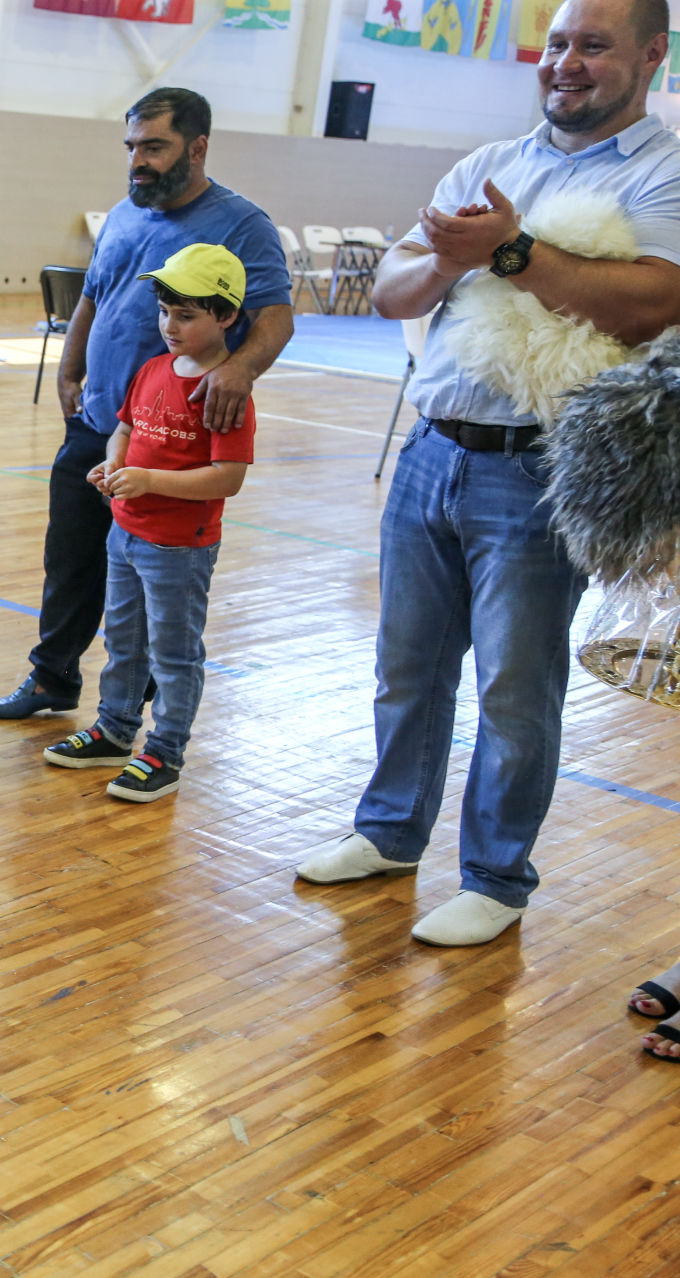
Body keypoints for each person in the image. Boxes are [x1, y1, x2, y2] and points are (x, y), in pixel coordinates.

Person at [295, 0, 680, 946]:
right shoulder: (490, 162)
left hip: (544, 471)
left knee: (516, 686)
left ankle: (497, 878)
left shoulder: (665, 174)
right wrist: (442, 264)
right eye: (555, 44)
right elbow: (391, 285)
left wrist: (507, 253)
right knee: (407, 666)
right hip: (435, 450)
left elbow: (655, 301)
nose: (566, 63)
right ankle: (389, 831)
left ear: (653, 55)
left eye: (593, 45)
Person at [0, 86, 291, 719]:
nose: (137, 161)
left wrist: (238, 371)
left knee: (149, 577)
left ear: (197, 147)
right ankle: (53, 678)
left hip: (169, 441)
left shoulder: (242, 224)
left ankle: (136, 704)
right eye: (131, 147)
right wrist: (70, 372)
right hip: (100, 422)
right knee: (70, 560)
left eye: (154, 146)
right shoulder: (125, 212)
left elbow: (275, 319)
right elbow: (94, 296)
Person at [41, 245, 254, 803]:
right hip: (126, 533)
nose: (170, 326)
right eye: (165, 311)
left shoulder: (226, 390)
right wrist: (114, 464)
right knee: (124, 641)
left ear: (226, 315)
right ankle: (114, 730)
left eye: (186, 315)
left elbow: (227, 478)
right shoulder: (153, 369)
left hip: (179, 546)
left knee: (175, 652)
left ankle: (166, 750)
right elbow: (124, 430)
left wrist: (150, 481)